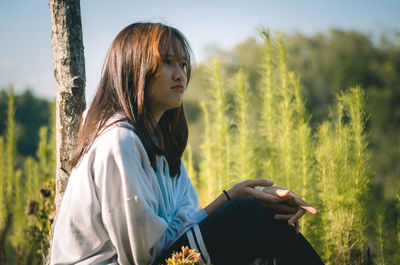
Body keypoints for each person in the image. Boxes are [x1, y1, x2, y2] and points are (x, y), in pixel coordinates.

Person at [50, 22, 324, 265]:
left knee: (265, 223)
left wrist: (256, 208)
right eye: (167, 61)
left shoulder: (163, 148)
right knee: (245, 215)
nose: (180, 74)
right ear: (133, 66)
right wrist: (231, 202)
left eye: (183, 64)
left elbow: (184, 230)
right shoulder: (117, 141)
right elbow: (144, 255)